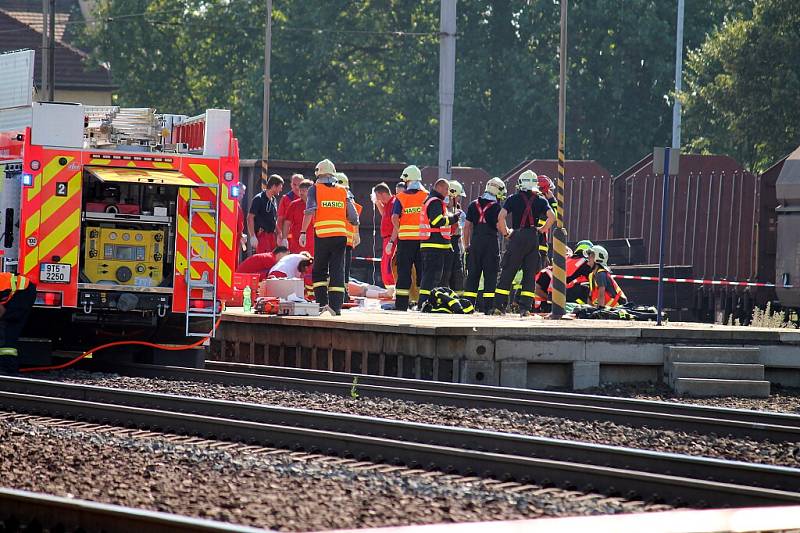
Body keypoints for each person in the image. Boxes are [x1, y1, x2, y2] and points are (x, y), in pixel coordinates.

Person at [299, 159, 359, 315]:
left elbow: (310, 210)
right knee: (337, 270)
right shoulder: (342, 190)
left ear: (318, 173)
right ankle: (335, 307)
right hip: (340, 236)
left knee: (319, 270)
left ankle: (321, 303)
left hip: (323, 235)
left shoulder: (315, 189)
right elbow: (353, 216)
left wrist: (303, 232)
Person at [495, 170, 555, 317]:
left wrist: (506, 233)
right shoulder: (541, 200)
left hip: (517, 236)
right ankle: (525, 309)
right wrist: (542, 229)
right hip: (533, 238)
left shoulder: (512, 199)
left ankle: (499, 307)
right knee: (529, 275)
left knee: (508, 272)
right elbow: (552, 217)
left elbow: (501, 217)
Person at [386, 165, 427, 311]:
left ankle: (402, 305)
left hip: (405, 240)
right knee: (423, 272)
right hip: (423, 240)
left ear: (406, 180)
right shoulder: (426, 196)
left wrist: (400, 229)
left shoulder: (401, 197)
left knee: (404, 272)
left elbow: (394, 217)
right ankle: (424, 304)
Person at [463, 178, 505, 314]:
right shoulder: (497, 207)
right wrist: (508, 233)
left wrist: (466, 245)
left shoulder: (472, 205)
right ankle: (488, 308)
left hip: (475, 244)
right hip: (491, 244)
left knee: (472, 276)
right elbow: (499, 226)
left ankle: (468, 307)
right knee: (490, 276)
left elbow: (467, 226)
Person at [418, 178, 461, 308]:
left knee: (431, 276)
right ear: (440, 188)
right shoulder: (435, 202)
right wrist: (454, 218)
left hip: (434, 244)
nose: (448, 193)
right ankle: (424, 302)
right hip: (434, 245)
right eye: (447, 189)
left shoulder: (431, 200)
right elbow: (436, 221)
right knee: (431, 276)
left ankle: (428, 301)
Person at [0, 272, 36, 375]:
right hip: (19, 292)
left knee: (7, 328)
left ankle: (8, 369)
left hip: (23, 292)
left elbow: (1, 310)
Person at [337, 173, 363, 301]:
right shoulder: (349, 199)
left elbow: (355, 218)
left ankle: (342, 294)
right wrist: (356, 234)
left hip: (340, 240)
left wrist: (356, 233)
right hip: (343, 240)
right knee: (343, 269)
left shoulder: (344, 198)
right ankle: (343, 294)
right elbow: (355, 218)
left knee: (341, 269)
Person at [247, 174, 284, 254]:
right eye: (280, 187)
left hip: (271, 236)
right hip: (262, 235)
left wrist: (279, 234)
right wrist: (252, 235)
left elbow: (274, 219)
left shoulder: (273, 200)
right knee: (263, 259)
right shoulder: (259, 199)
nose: (281, 190)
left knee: (271, 259)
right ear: (274, 186)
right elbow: (250, 217)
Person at [441, 180, 466, 294]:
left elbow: (461, 232)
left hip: (455, 244)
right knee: (445, 272)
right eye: (459, 196)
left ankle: (458, 297)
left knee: (457, 273)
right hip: (445, 243)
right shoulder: (441, 210)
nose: (460, 199)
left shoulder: (460, 213)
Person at [373, 182, 396, 289]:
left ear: (382, 194)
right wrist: (378, 204)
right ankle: (390, 289)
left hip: (392, 238)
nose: (378, 199)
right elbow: (385, 215)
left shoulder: (393, 203)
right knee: (385, 265)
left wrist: (391, 242)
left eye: (378, 196)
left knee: (388, 265)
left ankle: (392, 289)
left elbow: (396, 223)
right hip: (388, 239)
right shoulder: (388, 204)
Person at [284, 180, 314, 255]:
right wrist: (284, 238)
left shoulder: (317, 205)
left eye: (303, 191)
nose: (301, 193)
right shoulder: (294, 205)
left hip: (314, 244)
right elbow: (287, 222)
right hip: (297, 244)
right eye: (300, 191)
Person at [276, 174, 304, 248]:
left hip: (304, 236)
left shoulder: (308, 199)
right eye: (294, 184)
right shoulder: (286, 199)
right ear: (291, 184)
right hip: (289, 238)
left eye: (299, 184)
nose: (297, 187)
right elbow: (280, 219)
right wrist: (280, 236)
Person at [536, 175, 558, 266]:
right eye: (549, 190)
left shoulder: (532, 201)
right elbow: (556, 216)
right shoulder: (543, 204)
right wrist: (552, 200)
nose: (551, 192)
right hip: (540, 246)